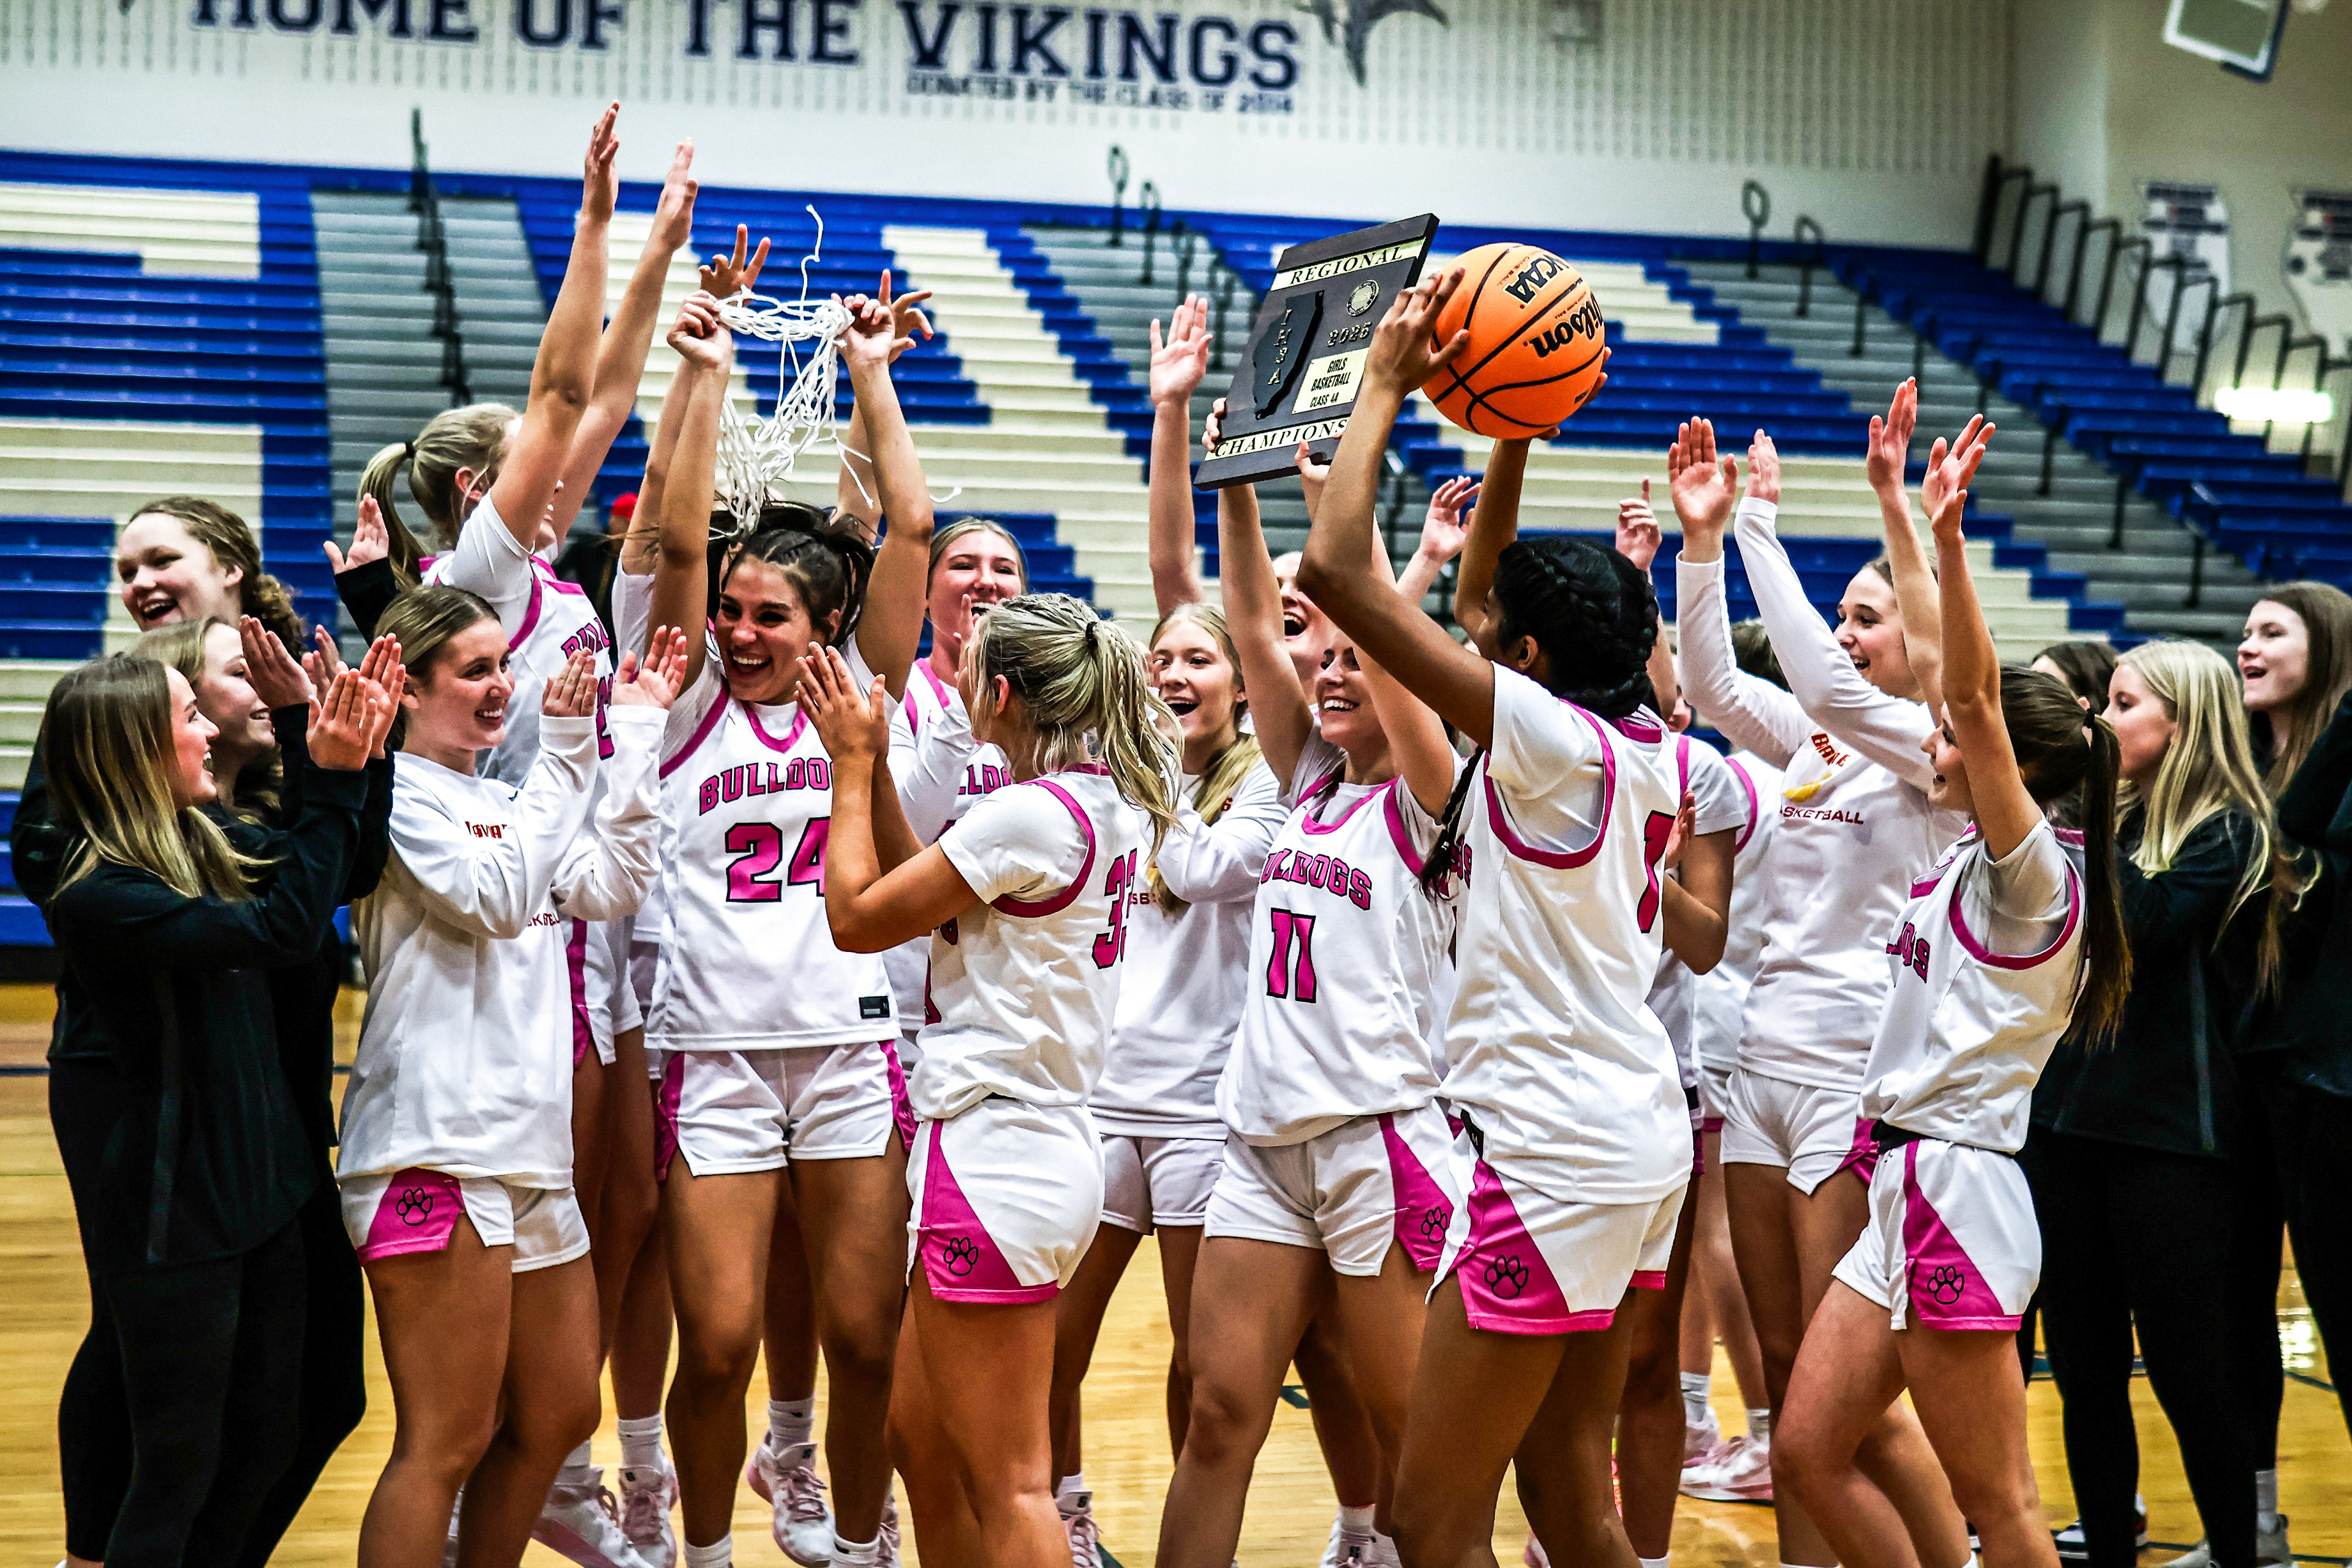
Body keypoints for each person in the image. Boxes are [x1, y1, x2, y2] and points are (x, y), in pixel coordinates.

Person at [1776, 467, 2132, 1568]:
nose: (1927, 745)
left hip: (1958, 1188)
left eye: (1950, 742)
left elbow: (1970, 701)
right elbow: (1950, 681)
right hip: (1901, 1179)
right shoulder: (1976, 854)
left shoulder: (2038, 878)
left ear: (2006, 765)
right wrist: (1898, 506)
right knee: (1807, 1451)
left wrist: (1950, 540)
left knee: (2003, 1503)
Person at [636, 277, 935, 1568]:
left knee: (866, 1338)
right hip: (713, 1053)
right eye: (735, 612)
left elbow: (909, 525)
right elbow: (679, 544)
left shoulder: (860, 690)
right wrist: (702, 372)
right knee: (714, 1345)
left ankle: (861, 1545)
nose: (743, 631)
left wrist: (872, 371)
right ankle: (705, 1552)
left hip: (848, 1048)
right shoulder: (689, 693)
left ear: (825, 625)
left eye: (772, 616)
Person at [797, 591, 1176, 1568]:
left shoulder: (1026, 817)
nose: (958, 678)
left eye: (971, 669)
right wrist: (874, 767)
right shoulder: (1088, 803)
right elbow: (925, 893)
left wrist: (848, 768)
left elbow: (856, 918)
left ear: (1000, 695)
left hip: (999, 1152)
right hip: (1030, 1144)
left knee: (1012, 1482)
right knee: (920, 1438)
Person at [1668, 382, 1975, 1568]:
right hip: (1763, 1065)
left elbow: (1826, 683)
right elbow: (1711, 685)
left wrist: (1759, 532)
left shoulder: (1931, 745)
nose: (1846, 637)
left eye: (1868, 618)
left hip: (1856, 1074)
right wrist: (1703, 546)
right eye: (1839, 616)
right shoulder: (1826, 742)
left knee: (1840, 1395)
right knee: (1784, 1367)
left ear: (1922, 638)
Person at [339, 589, 677, 1568]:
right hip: (434, 1148)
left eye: (504, 665)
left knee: (562, 1407)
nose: (503, 686)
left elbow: (614, 883)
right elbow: (497, 897)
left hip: (527, 1150)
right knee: (446, 1439)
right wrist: (566, 755)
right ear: (409, 688)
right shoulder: (396, 796)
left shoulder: (507, 799)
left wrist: (635, 736)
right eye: (475, 670)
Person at [42, 650, 388, 1567]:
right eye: (188, 717)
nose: (206, 732)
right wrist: (333, 775)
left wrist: (349, 746)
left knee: (267, 1440)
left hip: (264, 1191)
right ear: (135, 749)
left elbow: (345, 866)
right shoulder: (101, 892)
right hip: (176, 1215)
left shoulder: (205, 838)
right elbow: (284, 928)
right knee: (177, 1469)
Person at [1048, 296, 1287, 1566]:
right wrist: (1172, 409)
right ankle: (1065, 1514)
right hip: (1102, 1095)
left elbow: (1194, 874)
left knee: (1205, 1369)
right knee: (1053, 1341)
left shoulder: (1270, 784)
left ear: (1245, 679)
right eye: (1163, 659)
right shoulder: (1120, 772)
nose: (1177, 670)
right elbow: (1167, 576)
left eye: (1204, 658)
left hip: (1205, 1108)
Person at [2025, 639, 2300, 1568]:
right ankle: (2109, 1551)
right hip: (2067, 1125)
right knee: (2085, 1371)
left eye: (2124, 703)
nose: (2103, 719)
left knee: (2190, 1373)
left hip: (2173, 1139)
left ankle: (2238, 1551)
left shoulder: (2232, 833)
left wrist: (2081, 809)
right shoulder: (2116, 819)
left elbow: (2136, 923)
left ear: (2180, 724)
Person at [1678, 616, 1782, 1504]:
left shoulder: (1730, 782)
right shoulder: (1821, 776)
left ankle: (1765, 1429)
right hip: (1771, 1019)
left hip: (1719, 1016)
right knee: (1713, 1238)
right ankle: (1697, 1420)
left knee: (1717, 1238)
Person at [111, 494, 309, 652]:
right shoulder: (112, 689)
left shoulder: (306, 681)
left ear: (229, 569)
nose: (139, 583)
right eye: (128, 574)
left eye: (162, 561)